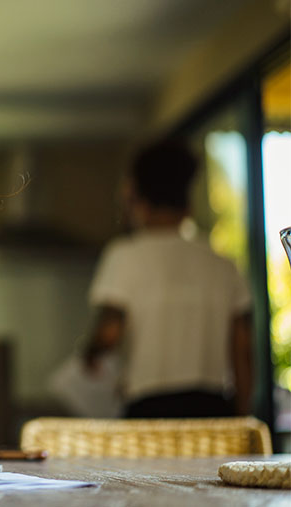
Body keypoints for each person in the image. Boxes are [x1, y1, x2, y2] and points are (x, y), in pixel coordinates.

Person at [83, 139, 253, 418]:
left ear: (137, 196)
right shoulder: (223, 264)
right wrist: (242, 415)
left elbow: (109, 333)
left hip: (149, 410)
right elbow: (243, 350)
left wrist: (90, 353)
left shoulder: (124, 256)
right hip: (213, 409)